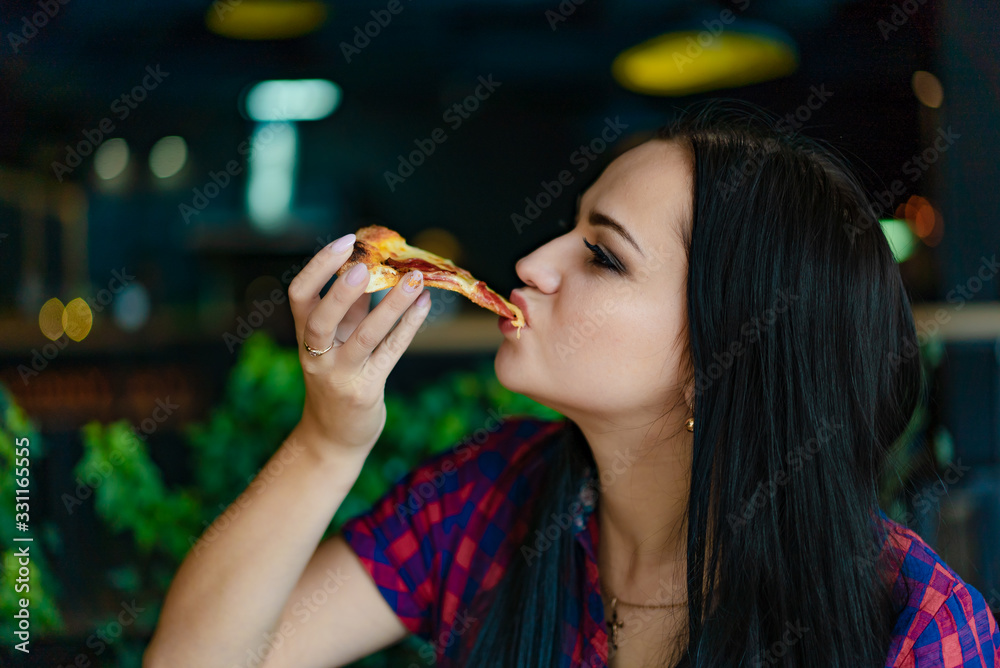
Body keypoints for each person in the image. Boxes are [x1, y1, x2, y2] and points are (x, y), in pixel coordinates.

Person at [143, 99, 1000, 668]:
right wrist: (328, 442)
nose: (530, 264)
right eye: (574, 226)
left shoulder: (916, 629)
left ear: (723, 359)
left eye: (601, 254)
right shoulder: (488, 501)